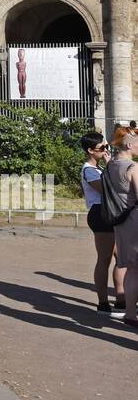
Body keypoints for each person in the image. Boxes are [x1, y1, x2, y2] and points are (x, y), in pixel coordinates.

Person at [80, 133, 126, 313]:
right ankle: (103, 302)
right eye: (102, 148)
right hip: (100, 213)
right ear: (90, 150)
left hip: (110, 213)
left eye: (107, 147)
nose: (106, 151)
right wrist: (111, 166)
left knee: (121, 257)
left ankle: (121, 298)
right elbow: (107, 189)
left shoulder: (98, 169)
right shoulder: (89, 170)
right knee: (104, 258)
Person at [105, 134, 138, 330]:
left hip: (121, 220)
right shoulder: (133, 167)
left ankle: (131, 313)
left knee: (131, 267)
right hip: (135, 218)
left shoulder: (111, 165)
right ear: (129, 145)